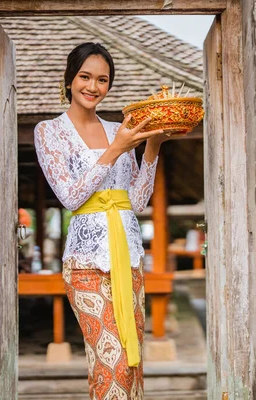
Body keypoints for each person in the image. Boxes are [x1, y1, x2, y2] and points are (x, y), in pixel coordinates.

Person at [34, 42, 168, 399]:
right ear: (69, 79)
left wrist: (151, 147)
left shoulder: (118, 130)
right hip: (86, 265)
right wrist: (117, 149)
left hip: (129, 259)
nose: (93, 87)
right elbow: (71, 197)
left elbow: (137, 201)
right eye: (85, 77)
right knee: (113, 363)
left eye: (103, 80)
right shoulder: (49, 132)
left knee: (132, 365)